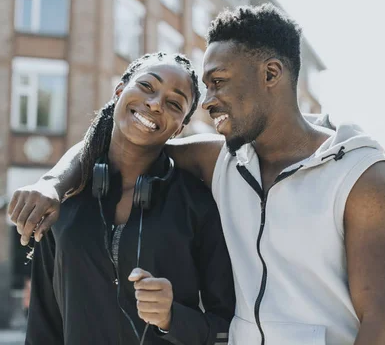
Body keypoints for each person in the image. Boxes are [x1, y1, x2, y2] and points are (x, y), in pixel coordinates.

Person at [9, 4, 385, 345]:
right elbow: (123, 143)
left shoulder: (363, 177)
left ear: (271, 74)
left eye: (218, 83)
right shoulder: (223, 161)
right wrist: (53, 183)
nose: (209, 102)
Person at [18, 52, 235, 345]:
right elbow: (42, 328)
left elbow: (228, 329)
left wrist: (173, 319)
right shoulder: (63, 203)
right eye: (147, 87)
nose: (156, 103)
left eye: (173, 104)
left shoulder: (198, 205)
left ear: (180, 127)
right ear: (119, 91)